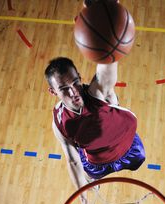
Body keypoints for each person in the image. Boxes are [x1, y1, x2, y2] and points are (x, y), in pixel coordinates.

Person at [44, 5, 145, 190]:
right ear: (53, 92)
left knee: (139, 162)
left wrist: (104, 23)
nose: (74, 91)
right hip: (96, 164)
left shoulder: (99, 93)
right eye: (64, 88)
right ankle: (92, 181)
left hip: (129, 149)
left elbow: (108, 62)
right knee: (90, 179)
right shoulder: (59, 122)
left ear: (80, 77)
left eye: (75, 82)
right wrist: (82, 195)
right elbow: (73, 161)